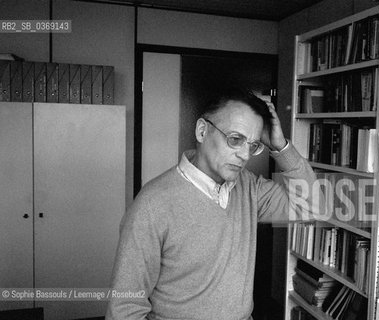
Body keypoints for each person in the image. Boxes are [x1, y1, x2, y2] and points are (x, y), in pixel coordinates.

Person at [106, 87, 320, 320]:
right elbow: (125, 309)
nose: (245, 155)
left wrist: (280, 146)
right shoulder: (152, 205)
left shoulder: (250, 188)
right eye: (235, 139)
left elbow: (311, 206)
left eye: (253, 145)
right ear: (202, 131)